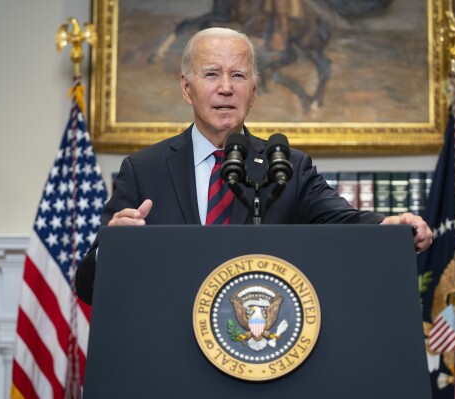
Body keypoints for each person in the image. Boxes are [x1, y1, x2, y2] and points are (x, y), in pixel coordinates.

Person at [75, 27, 432, 305]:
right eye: (212, 74)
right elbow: (89, 287)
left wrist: (390, 226)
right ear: (187, 89)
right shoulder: (143, 170)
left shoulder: (288, 166)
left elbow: (344, 219)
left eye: (239, 76)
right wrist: (115, 246)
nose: (226, 88)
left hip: (262, 350)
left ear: (254, 91)